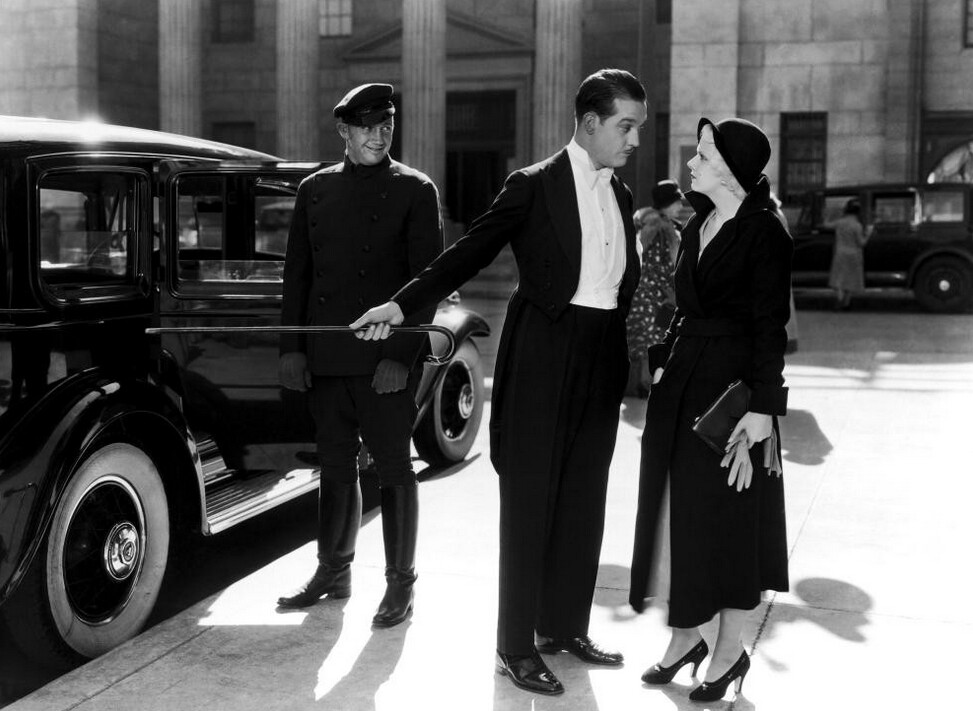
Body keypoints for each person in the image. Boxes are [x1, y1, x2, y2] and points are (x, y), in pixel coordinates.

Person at [350, 68, 647, 695]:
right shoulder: (533, 185)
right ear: (589, 122)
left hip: (601, 357)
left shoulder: (620, 193)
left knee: (584, 498)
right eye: (626, 126)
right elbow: (469, 252)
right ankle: (514, 647)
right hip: (543, 355)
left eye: (637, 128)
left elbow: (623, 285)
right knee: (531, 499)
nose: (634, 140)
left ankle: (563, 627)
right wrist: (401, 305)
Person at [629, 117, 791, 702]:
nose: (692, 165)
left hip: (731, 400)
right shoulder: (700, 222)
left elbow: (770, 327)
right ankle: (684, 639)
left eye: (702, 155)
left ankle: (728, 652)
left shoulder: (764, 231)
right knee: (680, 518)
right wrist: (663, 358)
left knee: (728, 525)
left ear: (729, 167)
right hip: (683, 388)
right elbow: (685, 306)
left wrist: (764, 409)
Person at [276, 83, 443, 629]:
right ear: (343, 131)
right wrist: (293, 348)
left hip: (383, 364)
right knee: (334, 465)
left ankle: (401, 584)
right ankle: (333, 570)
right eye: (367, 127)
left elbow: (426, 282)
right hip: (328, 357)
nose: (379, 135)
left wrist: (402, 355)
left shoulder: (416, 189)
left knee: (394, 468)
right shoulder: (315, 189)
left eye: (386, 125)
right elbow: (298, 275)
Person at [626, 179, 683, 395]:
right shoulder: (660, 229)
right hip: (654, 296)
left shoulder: (650, 225)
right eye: (676, 202)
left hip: (644, 294)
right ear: (667, 203)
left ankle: (638, 386)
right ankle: (645, 386)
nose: (680, 206)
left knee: (642, 339)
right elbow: (657, 266)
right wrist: (672, 291)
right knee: (650, 340)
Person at [827, 198, 870, 310]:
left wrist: (831, 214)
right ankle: (846, 302)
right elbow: (861, 243)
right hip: (854, 254)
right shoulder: (857, 225)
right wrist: (868, 234)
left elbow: (826, 225)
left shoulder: (840, 223)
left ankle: (840, 298)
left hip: (840, 253)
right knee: (850, 279)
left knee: (839, 278)